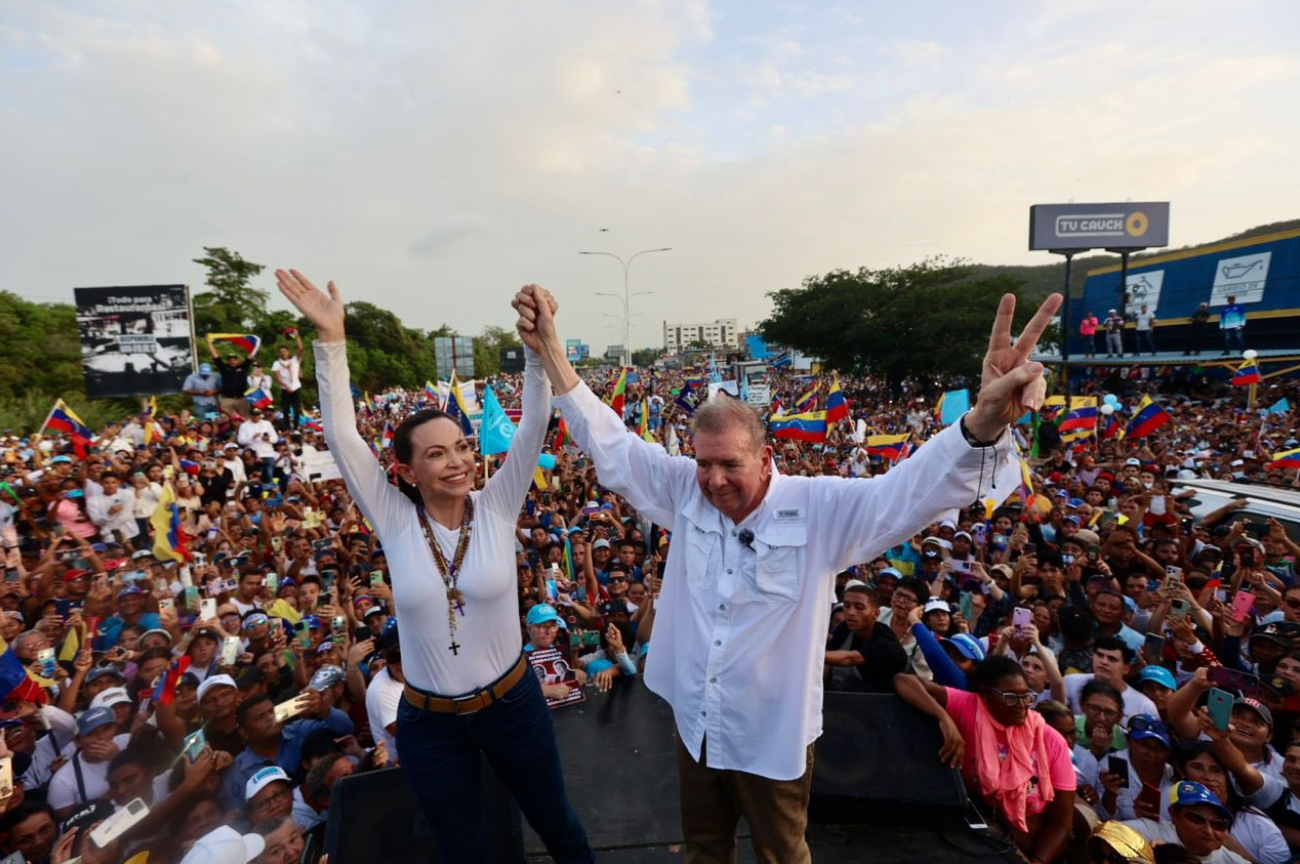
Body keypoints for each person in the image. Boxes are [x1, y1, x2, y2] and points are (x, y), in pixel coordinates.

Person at [515, 281, 1061, 863]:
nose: (714, 481)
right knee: (704, 848)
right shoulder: (682, 490)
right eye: (702, 463)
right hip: (696, 720)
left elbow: (903, 493)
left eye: (731, 465)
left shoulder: (820, 507)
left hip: (769, 737)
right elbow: (612, 444)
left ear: (766, 458)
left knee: (782, 854)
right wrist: (551, 349)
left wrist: (980, 424)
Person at [275, 269, 593, 864]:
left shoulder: (498, 504)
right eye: (437, 453)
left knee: (560, 828)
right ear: (405, 471)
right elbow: (343, 436)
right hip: (432, 724)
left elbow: (531, 427)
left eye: (464, 447)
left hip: (513, 707)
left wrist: (534, 351)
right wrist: (331, 341)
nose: (457, 462)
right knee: (462, 849)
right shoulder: (394, 519)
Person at [894, 656, 1077, 863]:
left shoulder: (1051, 741)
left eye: (1026, 696)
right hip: (982, 834)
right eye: (1009, 696)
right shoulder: (969, 706)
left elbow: (1061, 823)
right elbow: (904, 680)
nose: (1021, 705)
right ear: (985, 694)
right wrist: (943, 718)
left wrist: (1034, 861)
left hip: (1032, 845)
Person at [1123, 781, 1249, 864]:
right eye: (1197, 818)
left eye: (1218, 824)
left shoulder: (1234, 862)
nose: (1208, 830)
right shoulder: (1144, 832)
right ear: (1174, 814)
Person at [209, 335, 260, 418]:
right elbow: (215, 355)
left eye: (234, 359)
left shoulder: (243, 367)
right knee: (224, 418)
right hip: (227, 399)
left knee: (245, 418)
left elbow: (250, 356)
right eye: (230, 360)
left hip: (241, 398)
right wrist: (209, 342)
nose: (232, 361)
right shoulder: (224, 368)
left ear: (238, 360)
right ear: (227, 361)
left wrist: (257, 345)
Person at [271, 330, 305, 430]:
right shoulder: (277, 363)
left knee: (296, 409)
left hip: (296, 387)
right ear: (279, 354)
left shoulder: (294, 360)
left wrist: (297, 336)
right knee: (286, 410)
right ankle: (287, 428)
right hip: (285, 389)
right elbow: (277, 377)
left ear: (288, 352)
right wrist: (286, 386)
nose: (283, 353)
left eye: (284, 351)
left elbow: (301, 348)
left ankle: (296, 427)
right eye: (281, 352)